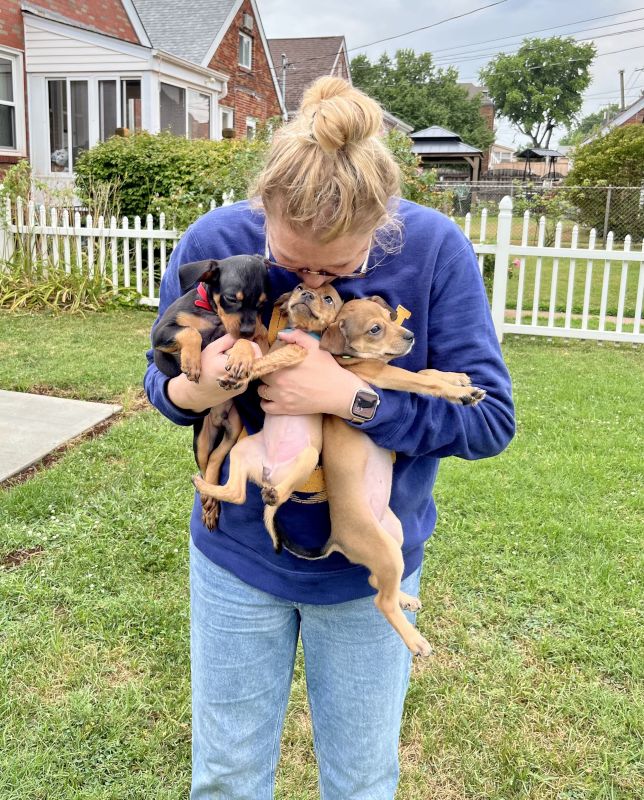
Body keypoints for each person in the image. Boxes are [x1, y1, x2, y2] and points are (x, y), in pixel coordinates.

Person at [144, 77, 514, 800]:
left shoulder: (435, 250)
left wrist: (353, 399)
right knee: (225, 777)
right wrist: (202, 385)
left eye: (338, 269)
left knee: (361, 780)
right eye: (290, 262)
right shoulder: (216, 244)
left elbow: (490, 420)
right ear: (264, 211)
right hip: (235, 563)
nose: (310, 281)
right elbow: (163, 386)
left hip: (366, 569)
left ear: (381, 226)